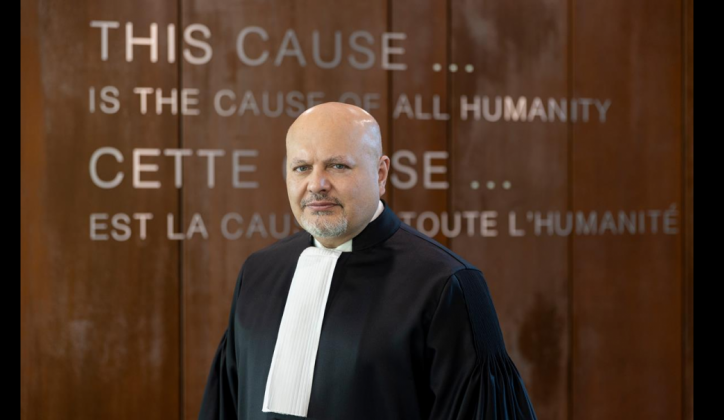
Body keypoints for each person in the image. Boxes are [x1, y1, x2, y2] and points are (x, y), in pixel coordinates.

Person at [198, 102, 538, 420]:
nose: (317, 184)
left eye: (338, 166)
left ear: (381, 173)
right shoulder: (257, 273)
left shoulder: (449, 284)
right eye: (302, 168)